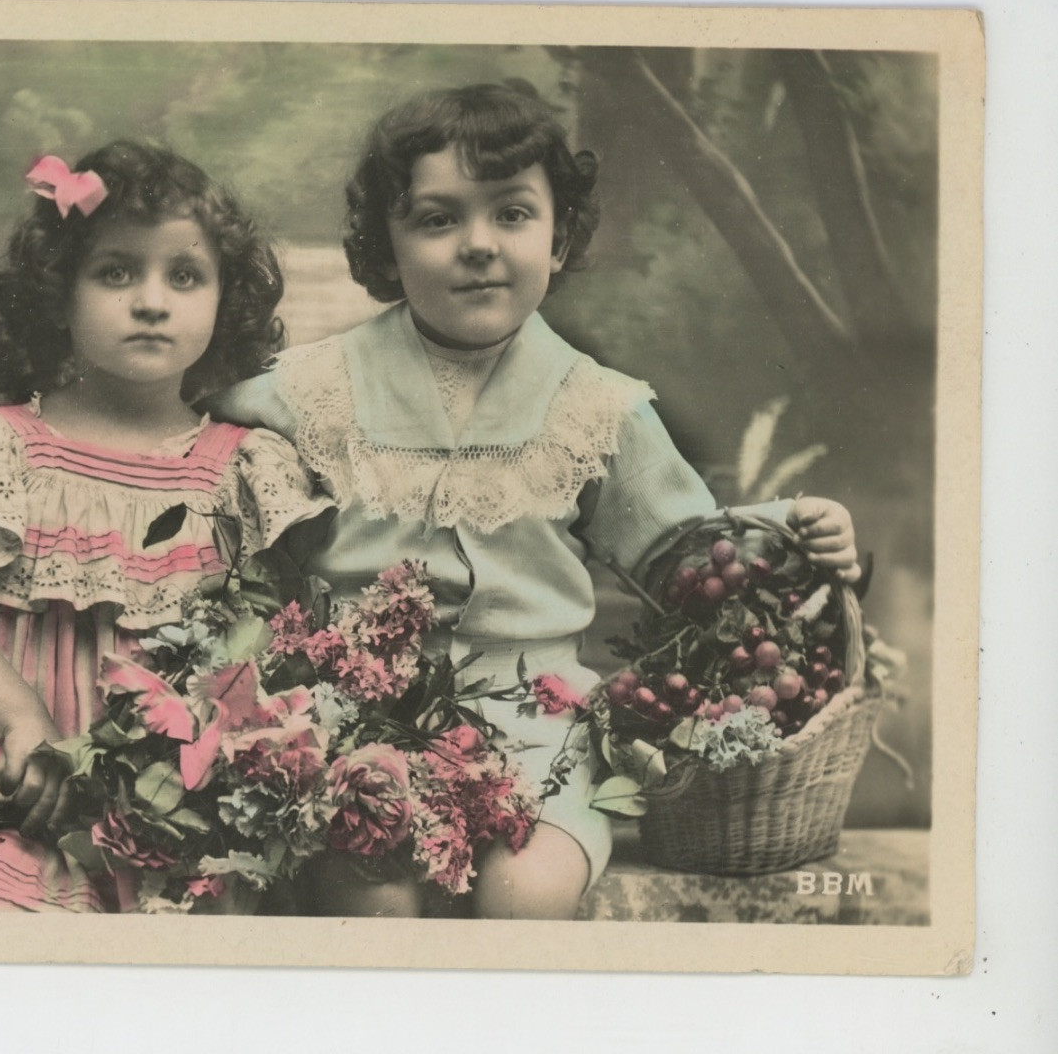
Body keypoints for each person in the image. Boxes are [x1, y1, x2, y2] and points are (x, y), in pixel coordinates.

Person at [209, 82, 861, 920]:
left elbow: (696, 560)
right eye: (437, 219)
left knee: (524, 893)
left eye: (511, 214)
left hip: (537, 727)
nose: (477, 245)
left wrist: (802, 530)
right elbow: (197, 480)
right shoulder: (311, 391)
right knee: (373, 904)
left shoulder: (594, 408)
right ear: (386, 246)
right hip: (354, 726)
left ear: (558, 240)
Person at [0, 142, 332, 912]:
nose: (151, 301)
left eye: (184, 276)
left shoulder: (243, 467)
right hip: (1, 768)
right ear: (59, 293)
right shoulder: (2, 442)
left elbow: (267, 636)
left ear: (224, 298)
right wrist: (22, 718)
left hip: (164, 792)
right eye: (116, 272)